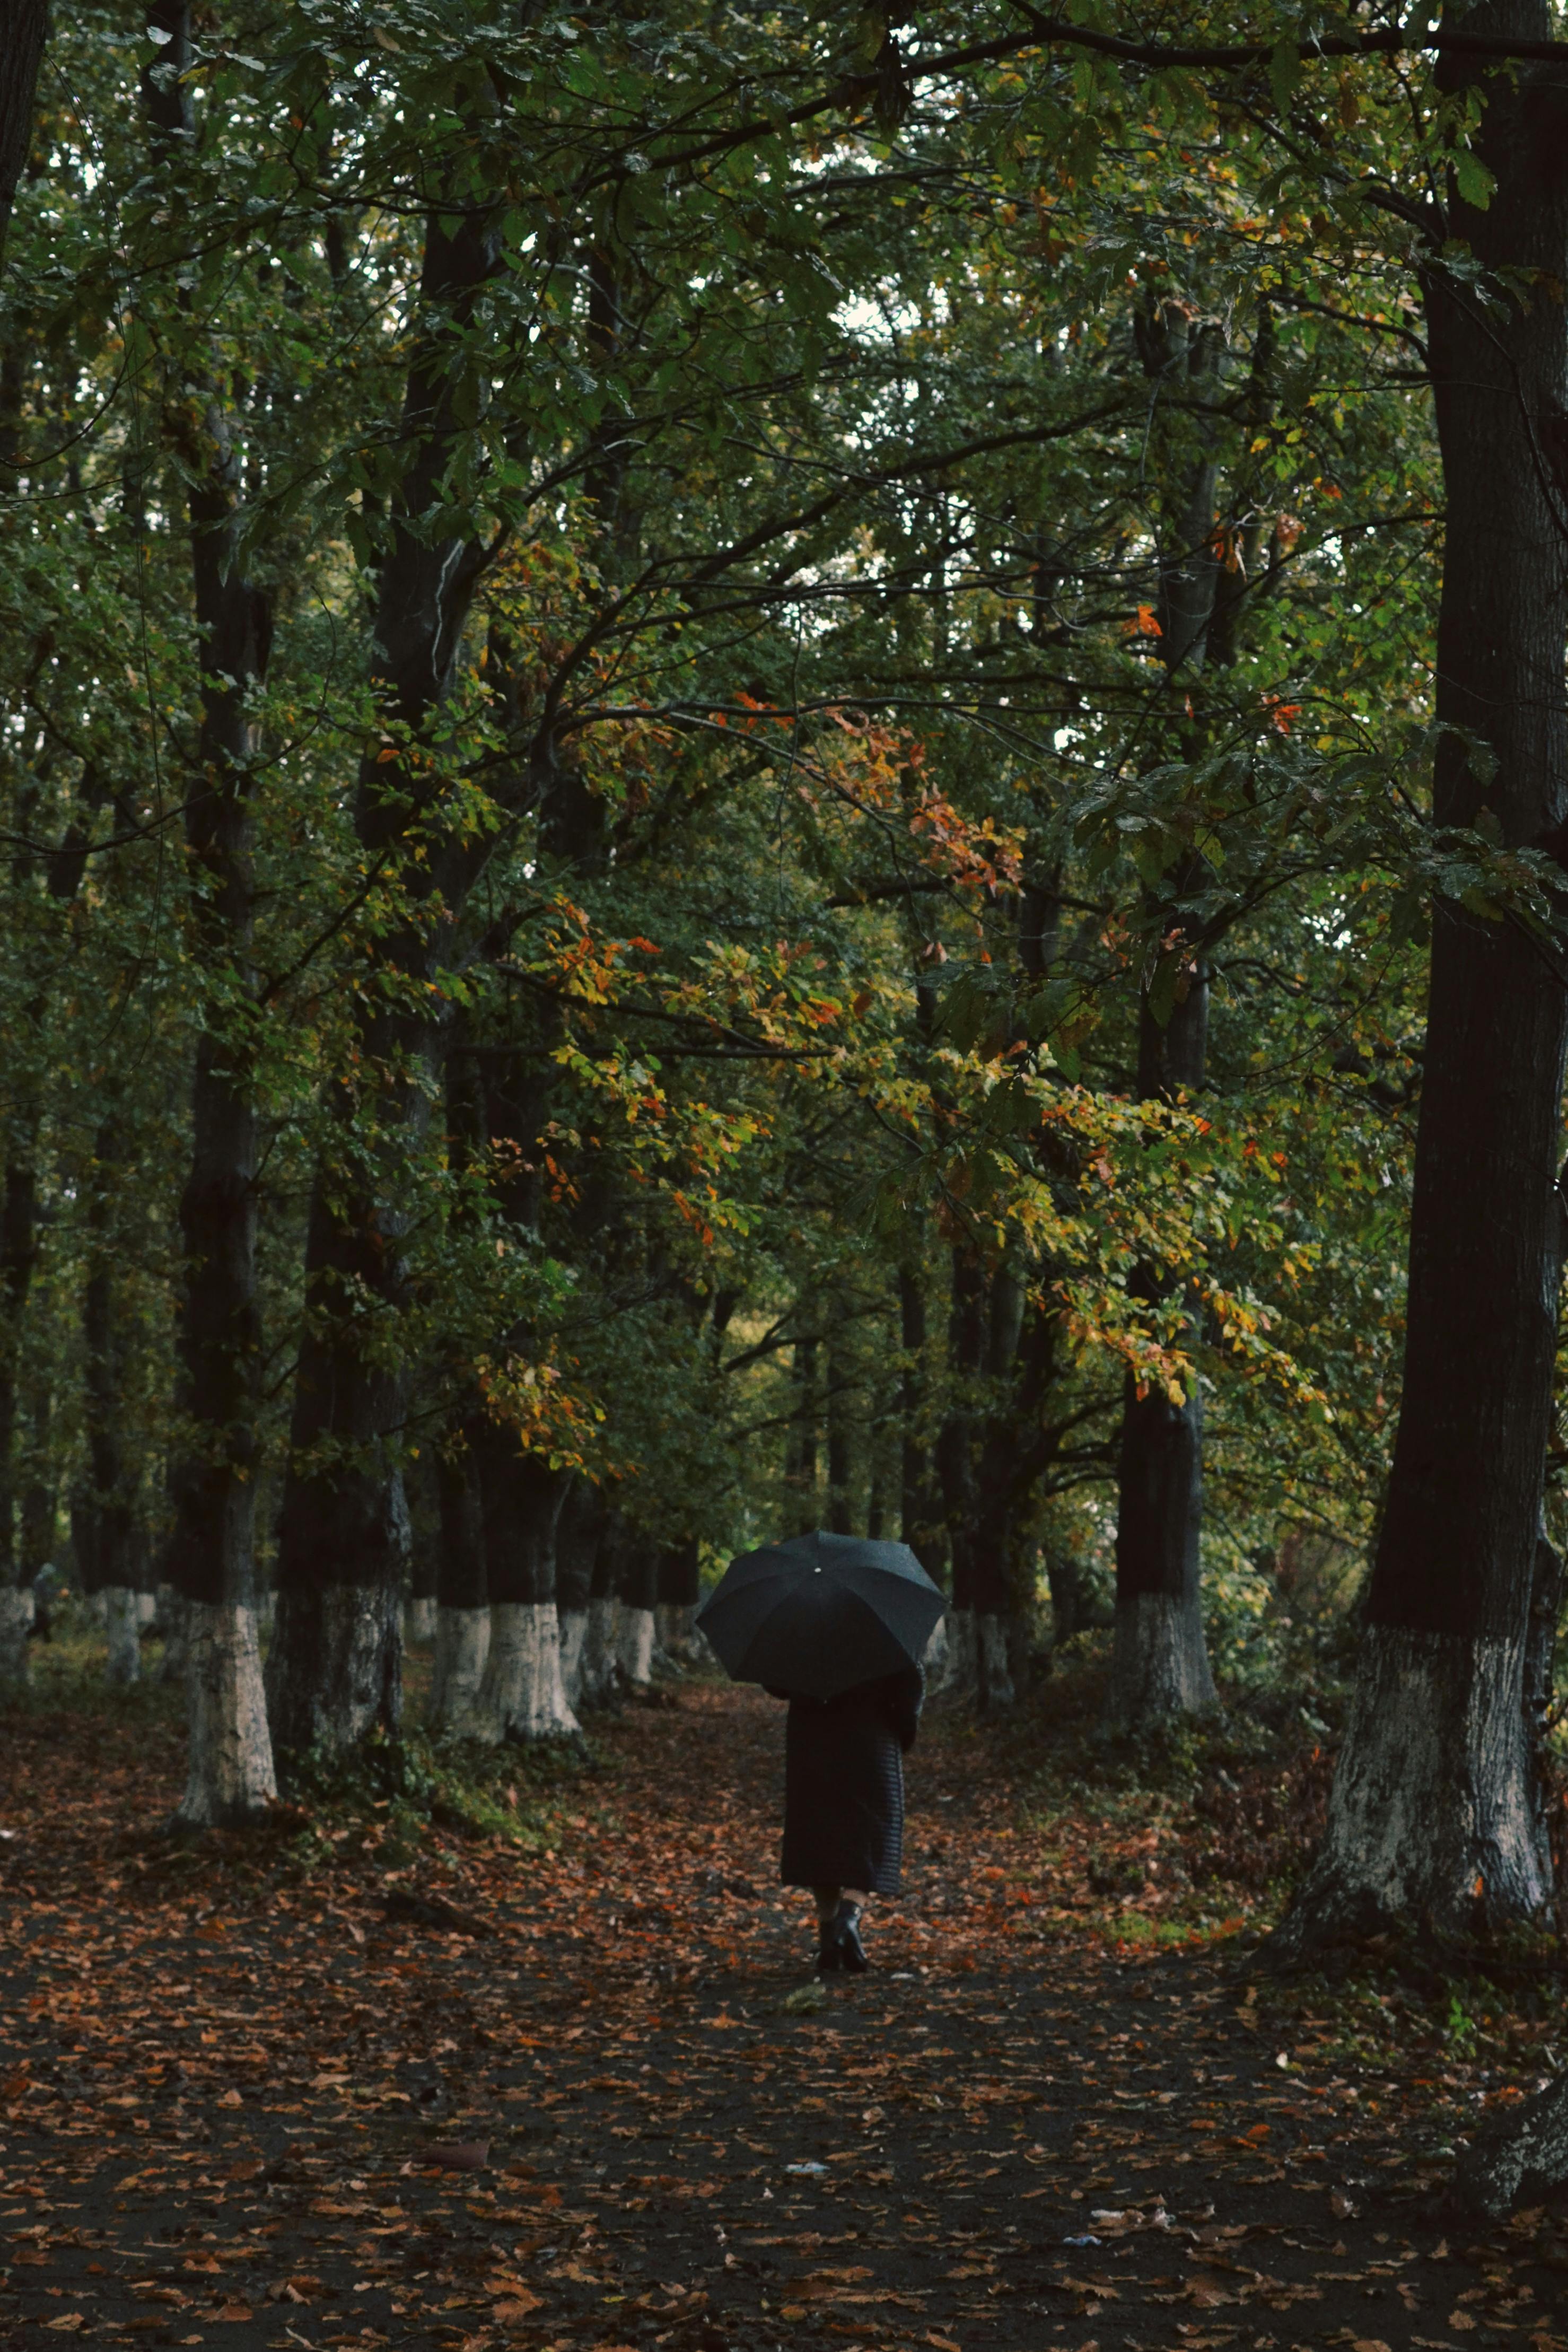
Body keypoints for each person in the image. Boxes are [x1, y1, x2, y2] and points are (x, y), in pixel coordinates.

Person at [770, 1664, 924, 1972]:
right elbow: (910, 1683)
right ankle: (848, 1918)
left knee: (821, 1834)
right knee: (874, 1831)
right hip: (871, 1735)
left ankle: (829, 1941)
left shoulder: (801, 1627)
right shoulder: (883, 1625)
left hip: (812, 1738)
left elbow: (777, 1684)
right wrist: (903, 1732)